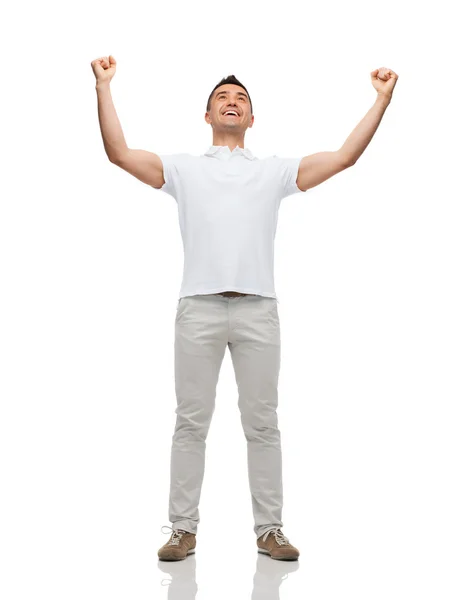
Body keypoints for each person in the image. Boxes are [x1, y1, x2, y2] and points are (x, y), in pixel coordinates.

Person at [91, 56, 398, 562]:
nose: (231, 102)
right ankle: (182, 530)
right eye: (222, 98)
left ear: (251, 119)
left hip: (258, 310)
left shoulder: (273, 172)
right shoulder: (183, 169)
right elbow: (119, 153)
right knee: (191, 422)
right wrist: (103, 87)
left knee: (262, 423)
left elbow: (343, 158)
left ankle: (270, 530)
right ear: (208, 115)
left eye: (241, 100)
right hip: (199, 309)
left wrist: (381, 100)